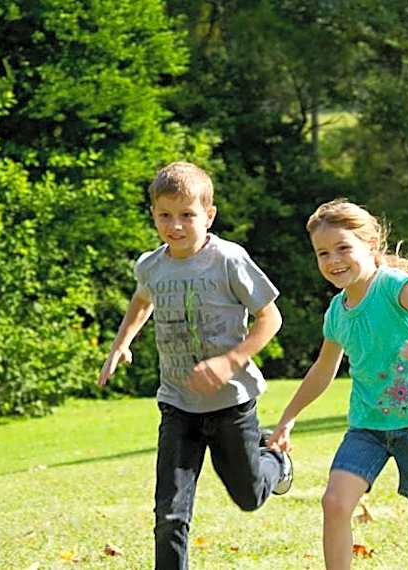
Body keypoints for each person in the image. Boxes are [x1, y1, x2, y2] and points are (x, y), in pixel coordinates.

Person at [97, 161, 294, 570]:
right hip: (177, 406)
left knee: (249, 495)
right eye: (164, 215)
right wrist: (121, 343)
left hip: (231, 404)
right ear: (153, 214)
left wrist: (231, 361)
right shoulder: (151, 265)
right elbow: (141, 300)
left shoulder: (228, 260)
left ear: (209, 215)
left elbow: (270, 318)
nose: (176, 225)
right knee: (169, 517)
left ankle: (275, 460)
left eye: (187, 215)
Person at [266, 199, 408, 570]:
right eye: (323, 253)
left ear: (370, 246)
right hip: (367, 426)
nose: (333, 260)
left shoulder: (392, 287)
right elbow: (323, 369)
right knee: (335, 503)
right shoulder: (337, 312)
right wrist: (288, 418)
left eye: (343, 248)